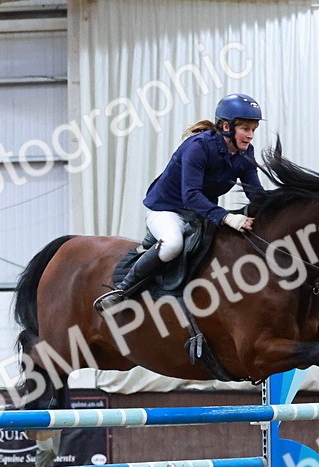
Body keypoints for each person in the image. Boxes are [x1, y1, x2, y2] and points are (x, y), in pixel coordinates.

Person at [94, 92, 265, 311]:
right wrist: (227, 217)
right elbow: (191, 196)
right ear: (226, 126)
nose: (250, 136)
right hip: (167, 210)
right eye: (245, 129)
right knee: (173, 244)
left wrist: (276, 207)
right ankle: (121, 291)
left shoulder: (245, 153)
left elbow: (255, 193)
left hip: (199, 214)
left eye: (253, 130)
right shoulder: (198, 147)